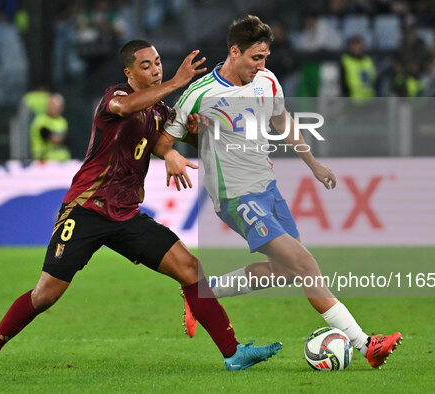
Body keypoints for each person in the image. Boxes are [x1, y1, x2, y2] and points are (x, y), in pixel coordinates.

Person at [0, 39, 282, 372]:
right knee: (46, 295)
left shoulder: (160, 112)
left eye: (157, 63)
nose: (156, 69)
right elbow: (125, 111)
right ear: (129, 73)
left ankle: (233, 353)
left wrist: (190, 137)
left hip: (126, 215)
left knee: (190, 269)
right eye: (146, 65)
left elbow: (166, 142)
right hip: (86, 210)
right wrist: (177, 83)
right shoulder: (116, 96)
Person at [156, 15, 402, 369]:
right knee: (305, 263)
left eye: (265, 57)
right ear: (234, 51)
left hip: (267, 188)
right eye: (255, 57)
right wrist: (174, 154)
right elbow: (164, 140)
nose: (262, 65)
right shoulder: (201, 93)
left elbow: (282, 120)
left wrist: (313, 163)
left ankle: (201, 293)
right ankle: (367, 346)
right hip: (236, 196)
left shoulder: (267, 82)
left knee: (285, 270)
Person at [30, 93, 71, 161]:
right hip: (44, 160)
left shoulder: (63, 121)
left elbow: (67, 139)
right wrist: (60, 138)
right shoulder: (40, 120)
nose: (55, 108)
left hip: (63, 161)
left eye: (58, 107)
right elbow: (50, 137)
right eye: (53, 105)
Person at [340, 35, 377, 100]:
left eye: (358, 45)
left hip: (369, 99)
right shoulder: (345, 60)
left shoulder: (368, 60)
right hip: (352, 100)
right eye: (354, 45)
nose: (356, 48)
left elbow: (373, 79)